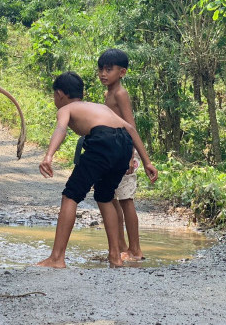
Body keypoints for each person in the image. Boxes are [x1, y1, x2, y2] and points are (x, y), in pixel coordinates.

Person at [37, 72, 158, 268]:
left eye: (54, 96)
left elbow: (61, 129)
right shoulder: (98, 107)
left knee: (71, 195)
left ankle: (57, 258)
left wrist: (49, 156)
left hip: (103, 141)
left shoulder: (66, 108)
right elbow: (130, 128)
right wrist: (147, 162)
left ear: (59, 94)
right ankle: (115, 256)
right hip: (124, 143)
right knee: (104, 196)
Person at [97, 48, 144, 261]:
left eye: (109, 69)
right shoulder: (108, 93)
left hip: (124, 153)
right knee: (112, 198)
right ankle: (121, 245)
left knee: (126, 200)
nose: (103, 74)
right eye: (100, 69)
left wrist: (131, 156)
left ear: (122, 72)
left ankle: (135, 250)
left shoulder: (120, 94)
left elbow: (129, 126)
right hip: (111, 155)